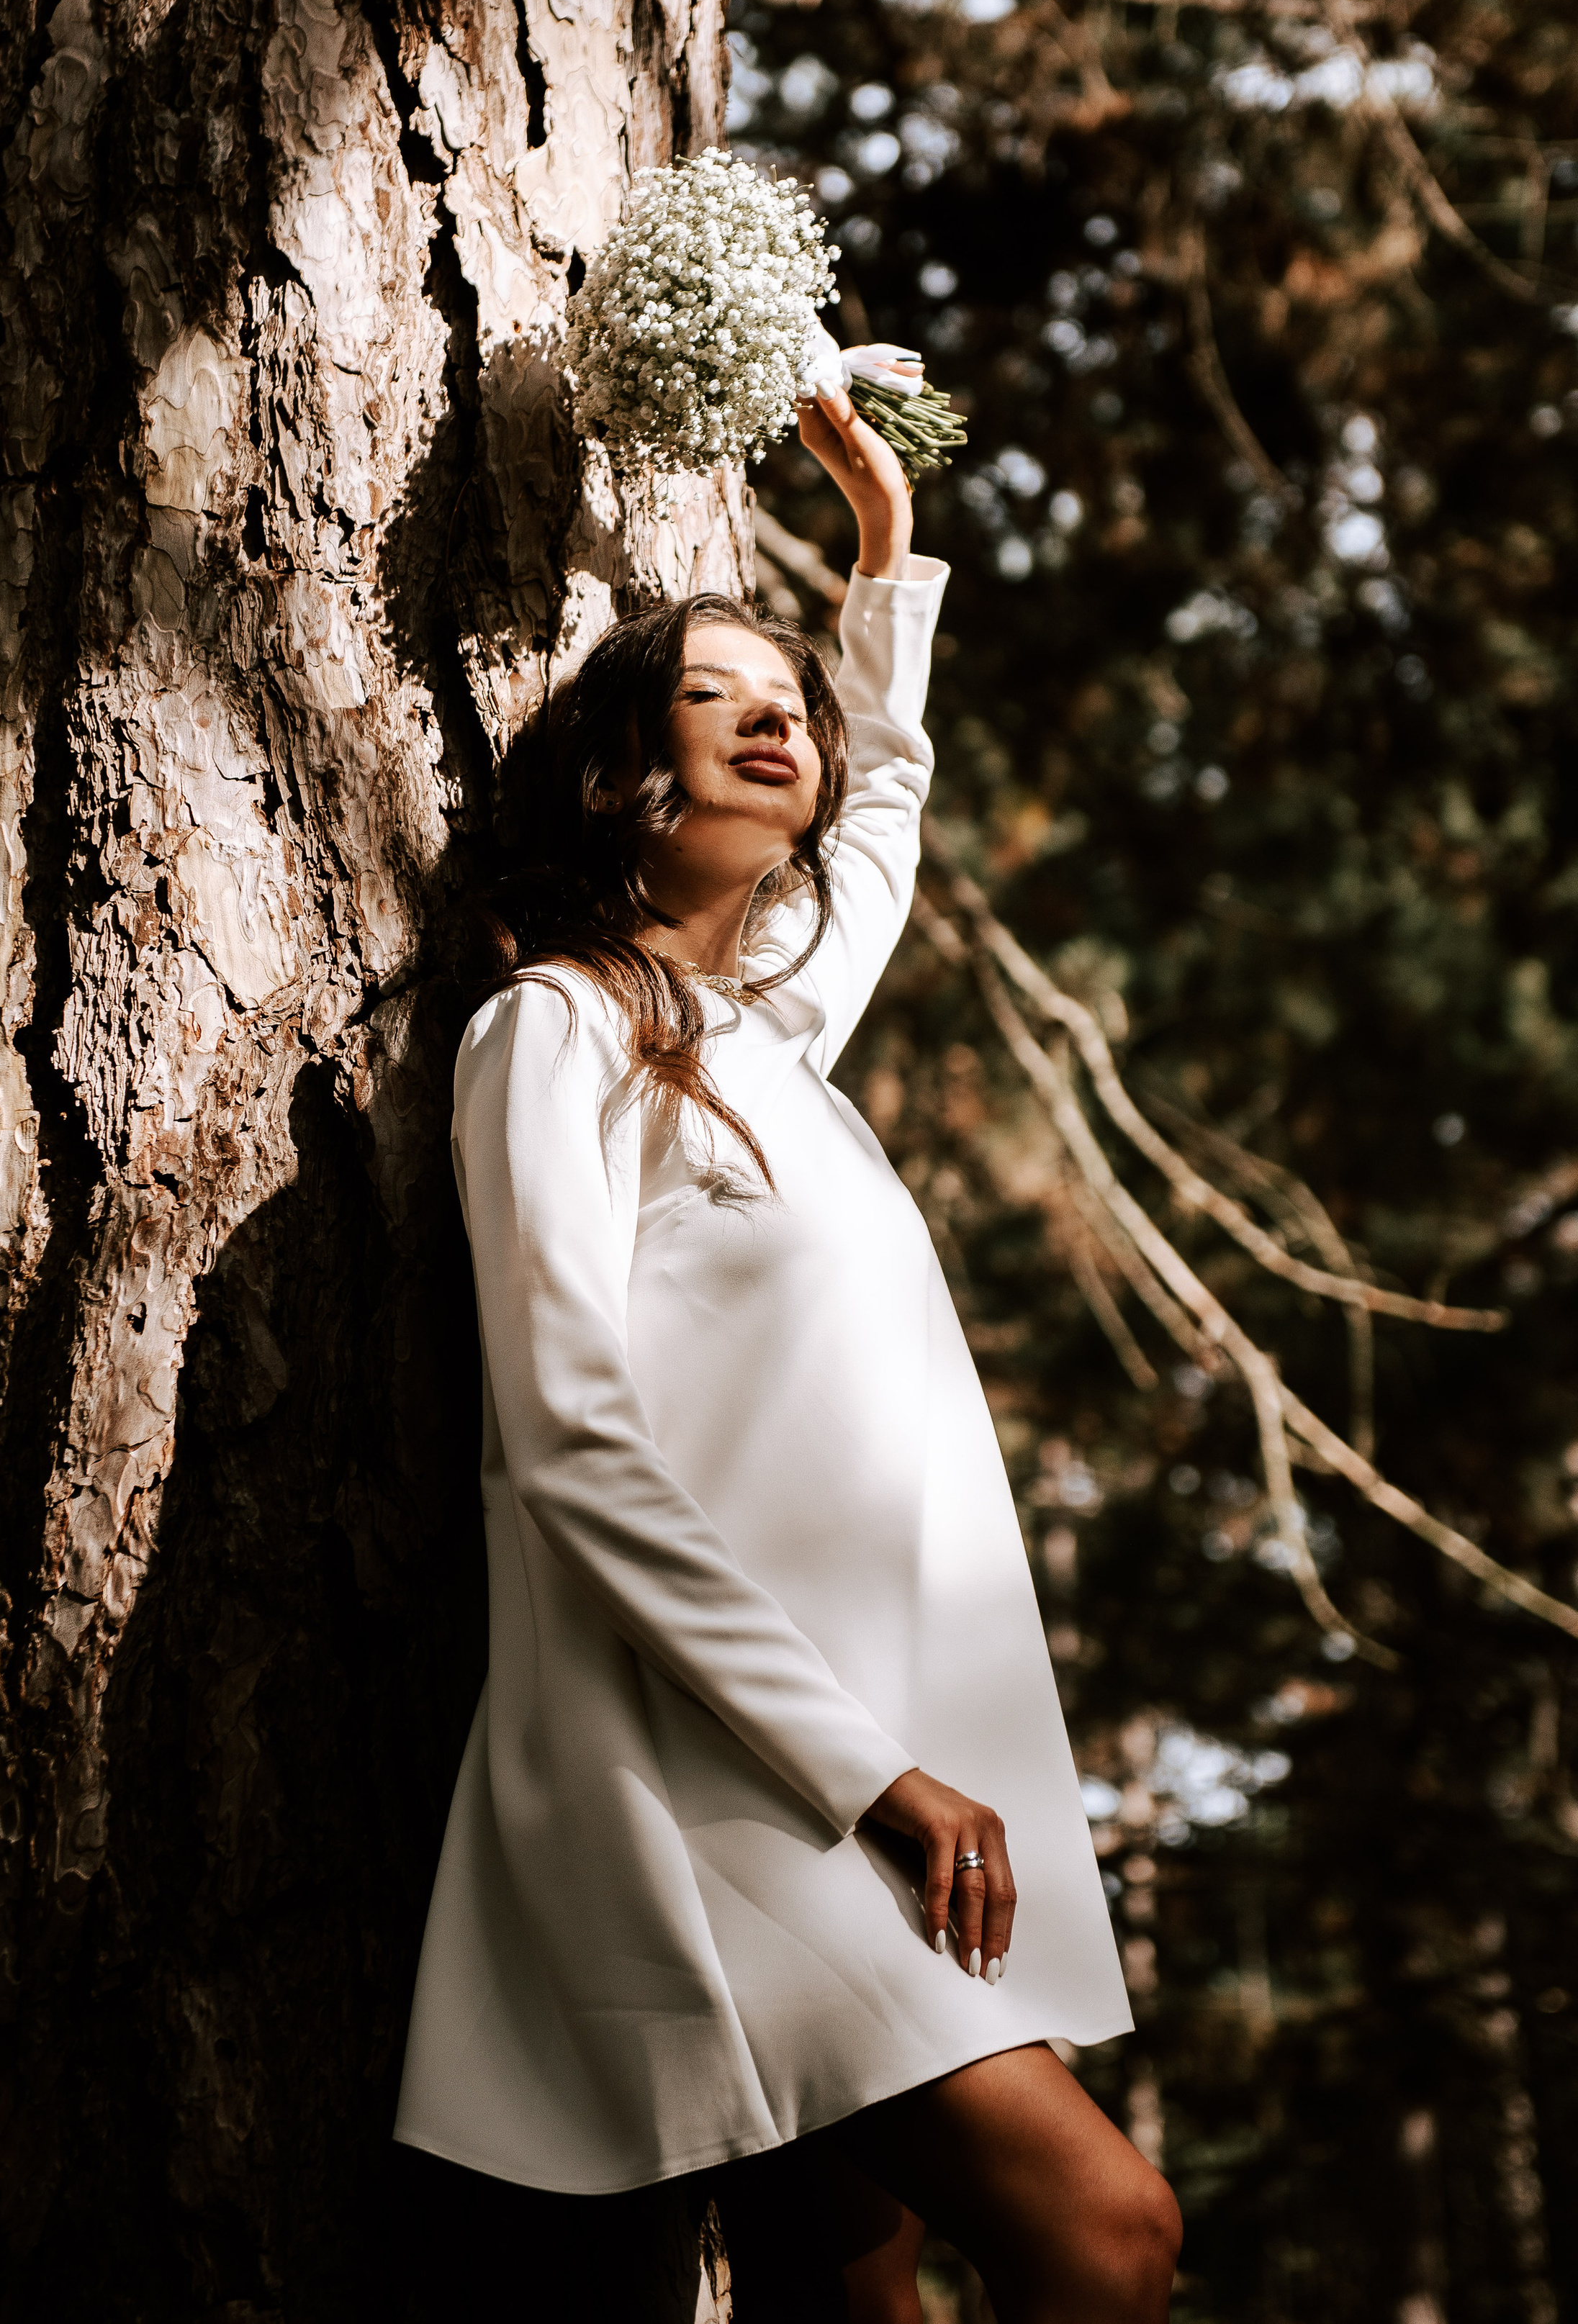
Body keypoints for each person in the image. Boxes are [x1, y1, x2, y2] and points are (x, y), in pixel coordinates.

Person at [396, 374, 1181, 2322]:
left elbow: (888, 817)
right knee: (1111, 2233)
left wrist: (885, 558)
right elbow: (565, 1437)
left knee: (862, 2301)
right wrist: (869, 1774)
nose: (779, 716)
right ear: (615, 773)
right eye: (712, 689)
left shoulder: (763, 1044)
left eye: (791, 698)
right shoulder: (559, 1033)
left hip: (818, 1768)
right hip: (713, 1782)